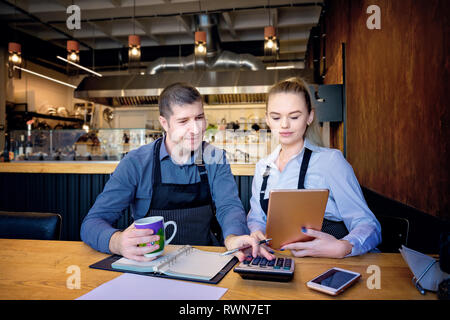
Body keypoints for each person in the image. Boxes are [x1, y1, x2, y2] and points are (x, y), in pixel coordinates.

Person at [81, 83, 273, 262]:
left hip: (204, 260)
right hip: (150, 264)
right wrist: (117, 242)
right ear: (164, 123)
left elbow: (229, 207)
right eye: (183, 121)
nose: (196, 129)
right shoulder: (135, 163)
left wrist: (233, 237)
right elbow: (93, 222)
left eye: (199, 117)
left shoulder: (216, 158)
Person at [247, 77, 381, 258]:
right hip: (282, 260)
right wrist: (256, 232)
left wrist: (343, 247)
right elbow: (256, 218)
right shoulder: (263, 168)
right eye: (276, 117)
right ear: (267, 120)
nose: (284, 124)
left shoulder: (330, 162)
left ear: (309, 116)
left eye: (294, 116)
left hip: (329, 264)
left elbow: (368, 225)